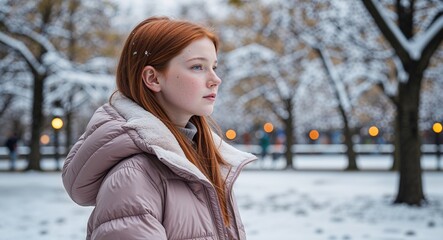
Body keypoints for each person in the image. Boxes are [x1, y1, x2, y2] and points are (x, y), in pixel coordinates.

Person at [62, 16, 257, 240]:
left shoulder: (200, 160)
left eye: (213, 67)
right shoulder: (134, 176)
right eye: (197, 66)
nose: (216, 79)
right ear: (153, 78)